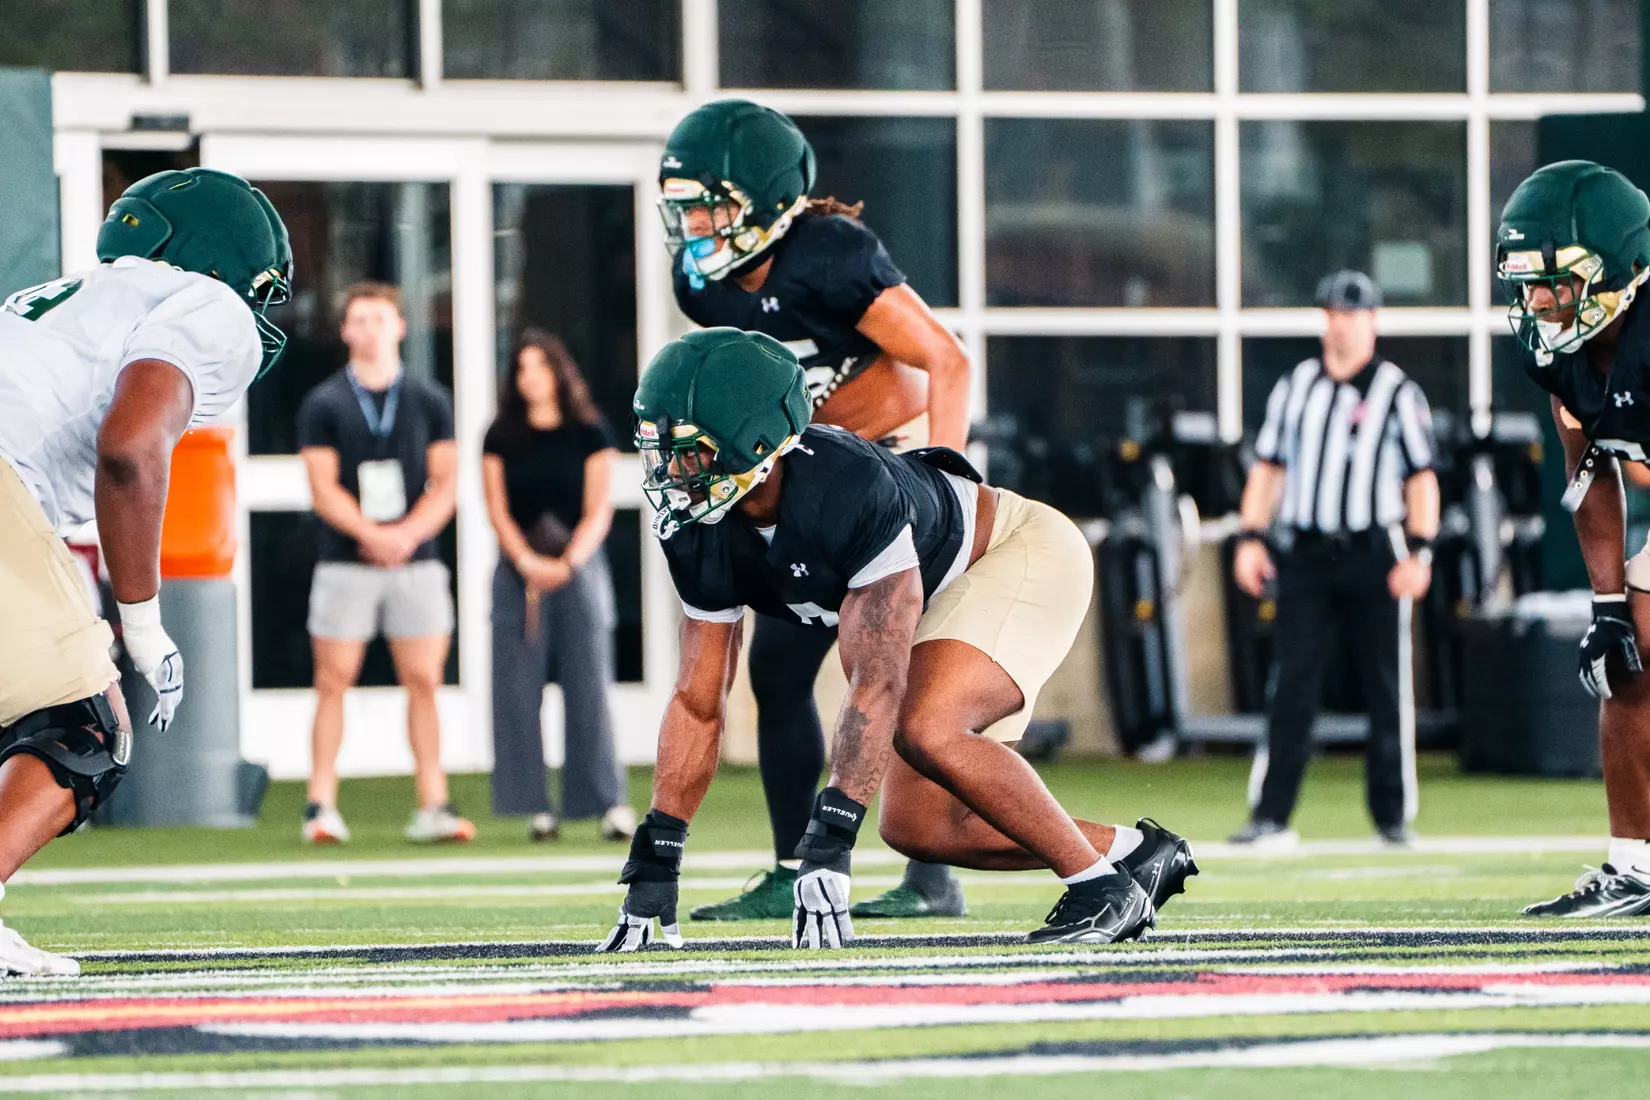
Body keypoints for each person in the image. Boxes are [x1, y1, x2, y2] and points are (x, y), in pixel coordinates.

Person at [596, 329, 1197, 952]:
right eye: (658, 451)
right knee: (922, 827)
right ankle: (1137, 854)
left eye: (687, 452)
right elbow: (698, 702)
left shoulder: (846, 488)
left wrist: (827, 844)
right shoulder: (698, 527)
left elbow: (876, 682)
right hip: (941, 593)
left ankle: (1101, 890)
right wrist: (657, 859)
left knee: (925, 725)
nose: (670, 472)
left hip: (1014, 554)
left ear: (756, 447)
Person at [659, 99, 974, 922]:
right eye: (685, 205)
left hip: (885, 475)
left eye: (710, 205)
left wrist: (945, 477)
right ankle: (793, 862)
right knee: (780, 668)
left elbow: (941, 360)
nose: (693, 225)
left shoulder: (829, 256)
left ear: (763, 202)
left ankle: (928, 870)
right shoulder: (705, 284)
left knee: (888, 674)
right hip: (803, 479)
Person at [0, 168, 290, 975]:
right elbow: (130, 448)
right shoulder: (210, 306)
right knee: (84, 723)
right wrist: (144, 622)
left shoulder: (74, 297)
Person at [1229, 270, 1441, 850]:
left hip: (1375, 550)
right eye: (1330, 313)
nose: (1337, 325)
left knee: (1386, 686)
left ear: (1372, 321)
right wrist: (1251, 537)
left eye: (1349, 314)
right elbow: (1269, 467)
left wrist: (1420, 552)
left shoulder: (1397, 391)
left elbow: (1422, 479)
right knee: (1291, 684)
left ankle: (1392, 818)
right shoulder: (1296, 385)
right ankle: (1270, 816)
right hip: (1307, 552)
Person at [1496, 159, 1650, 917]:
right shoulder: (1557, 352)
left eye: (1554, 280)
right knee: (1627, 657)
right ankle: (1636, 866)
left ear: (1622, 272)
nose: (1537, 302)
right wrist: (1609, 604)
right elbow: (1591, 473)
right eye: (1525, 282)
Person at [296, 282, 471, 845]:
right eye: (359, 320)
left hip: (416, 564)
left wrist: (406, 537)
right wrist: (372, 535)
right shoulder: (323, 402)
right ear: (345, 331)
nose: (370, 329)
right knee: (333, 681)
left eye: (380, 318)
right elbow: (323, 489)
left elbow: (444, 484)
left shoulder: (429, 399)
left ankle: (433, 804)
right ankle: (320, 805)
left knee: (424, 680)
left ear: (400, 326)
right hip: (345, 562)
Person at [482, 329, 635, 843]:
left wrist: (569, 562)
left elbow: (599, 510)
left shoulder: (590, 432)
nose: (530, 378)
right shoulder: (500, 435)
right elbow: (497, 510)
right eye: (521, 369)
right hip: (517, 569)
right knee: (517, 688)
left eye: (539, 367)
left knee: (589, 683)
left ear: (559, 372)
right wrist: (525, 559)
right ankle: (534, 807)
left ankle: (606, 801)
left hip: (579, 565)